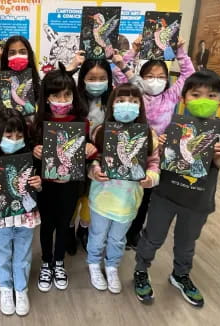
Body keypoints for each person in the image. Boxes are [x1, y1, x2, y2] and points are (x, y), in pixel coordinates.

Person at [133, 70, 220, 307]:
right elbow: (154, 158)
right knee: (152, 237)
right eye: (196, 94)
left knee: (186, 243)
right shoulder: (172, 125)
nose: (204, 100)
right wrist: (160, 147)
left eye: (212, 95)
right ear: (184, 98)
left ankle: (180, 275)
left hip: (198, 202)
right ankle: (141, 270)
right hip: (165, 195)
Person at [113, 37, 195, 249]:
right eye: (150, 76)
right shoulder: (136, 92)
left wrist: (180, 52)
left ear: (167, 79)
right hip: (129, 150)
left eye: (161, 77)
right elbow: (118, 72)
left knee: (145, 197)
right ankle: (116, 233)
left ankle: (133, 235)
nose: (155, 80)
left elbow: (188, 75)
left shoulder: (170, 97)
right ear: (141, 78)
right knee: (124, 193)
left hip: (155, 156)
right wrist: (134, 50)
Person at [87, 83, 159, 294]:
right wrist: (95, 170)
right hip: (102, 197)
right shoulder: (100, 131)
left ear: (141, 106)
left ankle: (112, 266)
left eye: (133, 101)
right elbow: (94, 159)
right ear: (112, 105)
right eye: (120, 101)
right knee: (97, 234)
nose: (127, 105)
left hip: (128, 200)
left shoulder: (149, 134)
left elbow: (154, 162)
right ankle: (93, 263)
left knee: (118, 238)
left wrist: (151, 177)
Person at [31, 64, 97, 292]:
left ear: (73, 95)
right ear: (46, 97)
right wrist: (35, 152)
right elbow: (29, 153)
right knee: (47, 225)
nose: (61, 99)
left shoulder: (82, 123)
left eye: (66, 94)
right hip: (46, 185)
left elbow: (88, 153)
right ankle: (46, 262)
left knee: (65, 223)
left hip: (71, 185)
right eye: (55, 95)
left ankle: (59, 262)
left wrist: (91, 150)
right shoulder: (38, 124)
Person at [0, 109, 42, 316]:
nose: (14, 140)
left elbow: (37, 185)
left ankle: (20, 289)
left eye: (18, 135)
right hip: (0, 220)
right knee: (3, 255)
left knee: (23, 255)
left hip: (25, 217)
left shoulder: (29, 158)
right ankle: (5, 288)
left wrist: (38, 183)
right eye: (8, 135)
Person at [66, 59, 114, 253]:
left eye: (102, 78)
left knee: (90, 199)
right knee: (73, 198)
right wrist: (70, 69)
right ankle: (69, 229)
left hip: (100, 158)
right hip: (75, 156)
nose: (97, 82)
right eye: (92, 78)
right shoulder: (73, 100)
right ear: (83, 79)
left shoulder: (112, 100)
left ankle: (83, 230)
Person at [0, 35, 41, 123]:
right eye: (12, 52)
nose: (17, 56)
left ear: (29, 54)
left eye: (22, 52)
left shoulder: (36, 81)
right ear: (6, 56)